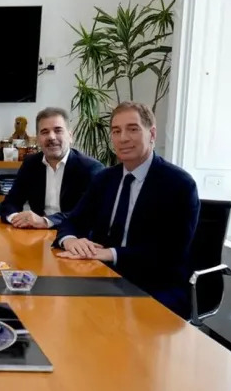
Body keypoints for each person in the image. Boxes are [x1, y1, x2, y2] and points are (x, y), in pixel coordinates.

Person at [54, 101, 200, 317]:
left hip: (156, 284)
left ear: (152, 134)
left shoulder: (179, 184)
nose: (123, 138)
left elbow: (170, 254)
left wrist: (111, 254)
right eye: (116, 131)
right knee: (55, 307)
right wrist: (71, 240)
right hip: (102, 275)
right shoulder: (104, 179)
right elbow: (72, 222)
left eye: (132, 129)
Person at [0, 107, 103, 229]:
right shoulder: (31, 164)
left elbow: (88, 213)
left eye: (58, 130)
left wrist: (46, 221)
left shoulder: (90, 168)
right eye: (45, 132)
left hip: (75, 234)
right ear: (38, 139)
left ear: (70, 136)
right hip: (38, 234)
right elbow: (10, 203)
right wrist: (16, 218)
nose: (51, 137)